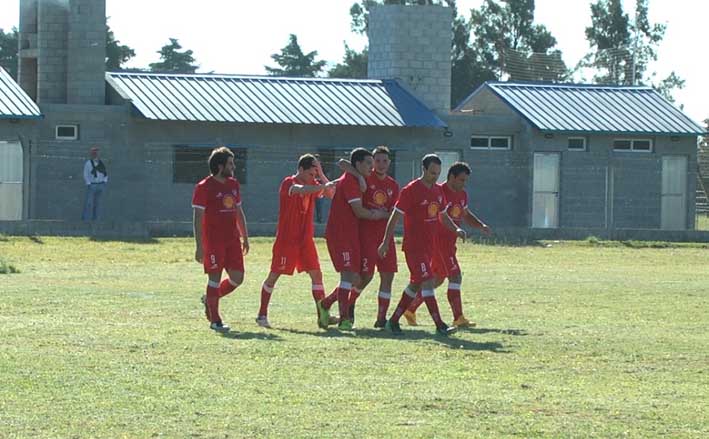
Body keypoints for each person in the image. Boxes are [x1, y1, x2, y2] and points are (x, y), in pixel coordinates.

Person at [377, 154, 461, 337]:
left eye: (438, 173)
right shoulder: (411, 190)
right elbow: (395, 216)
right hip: (414, 247)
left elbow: (443, 215)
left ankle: (392, 322)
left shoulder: (438, 191)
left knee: (415, 285)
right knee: (428, 281)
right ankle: (440, 325)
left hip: (429, 247)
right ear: (423, 169)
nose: (435, 177)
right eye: (432, 173)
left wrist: (456, 229)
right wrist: (385, 241)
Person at [403, 162, 492, 328]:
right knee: (455, 276)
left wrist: (481, 225)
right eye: (461, 180)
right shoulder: (438, 191)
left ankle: (410, 309)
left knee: (437, 279)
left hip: (450, 244)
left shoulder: (462, 194)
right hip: (438, 243)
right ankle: (458, 318)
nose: (463, 184)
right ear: (451, 177)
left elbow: (465, 214)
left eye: (466, 181)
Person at [255, 154, 336, 328]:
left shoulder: (314, 183)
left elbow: (330, 193)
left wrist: (321, 174)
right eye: (310, 174)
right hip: (287, 240)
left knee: (316, 274)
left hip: (305, 240)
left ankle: (323, 316)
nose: (312, 179)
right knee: (274, 276)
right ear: (300, 169)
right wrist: (321, 185)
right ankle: (262, 315)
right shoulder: (288, 182)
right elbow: (300, 189)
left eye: (314, 175)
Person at [317, 147, 389, 330]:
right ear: (358, 164)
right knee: (348, 275)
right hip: (341, 234)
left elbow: (344, 164)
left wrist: (360, 176)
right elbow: (358, 211)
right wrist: (378, 214)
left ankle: (325, 304)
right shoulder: (351, 180)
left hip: (353, 233)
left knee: (357, 278)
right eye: (369, 164)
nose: (372, 168)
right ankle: (345, 319)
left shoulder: (358, 178)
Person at [338, 146, 400, 328]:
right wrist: (358, 176)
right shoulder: (364, 176)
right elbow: (343, 164)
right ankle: (349, 304)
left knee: (388, 276)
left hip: (385, 236)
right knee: (365, 277)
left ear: (389, 163)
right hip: (366, 236)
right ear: (371, 163)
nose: (381, 165)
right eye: (377, 161)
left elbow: (394, 213)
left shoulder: (393, 186)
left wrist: (385, 216)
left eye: (384, 161)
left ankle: (381, 319)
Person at [192, 147, 250, 332]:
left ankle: (209, 299)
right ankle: (215, 320)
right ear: (220, 166)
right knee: (214, 278)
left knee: (237, 278)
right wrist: (199, 246)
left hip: (232, 240)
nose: (234, 167)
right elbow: (198, 217)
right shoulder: (204, 187)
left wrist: (245, 236)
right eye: (230, 163)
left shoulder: (233, 185)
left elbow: (239, 212)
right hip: (213, 241)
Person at [82, 146, 108, 221]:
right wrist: (88, 183)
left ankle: (96, 219)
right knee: (89, 203)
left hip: (101, 184)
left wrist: (105, 181)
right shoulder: (88, 163)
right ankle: (85, 219)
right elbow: (85, 174)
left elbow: (105, 173)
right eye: (95, 153)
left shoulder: (101, 163)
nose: (96, 155)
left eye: (97, 153)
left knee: (98, 204)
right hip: (92, 185)